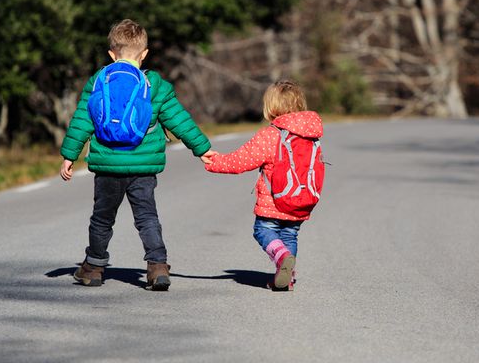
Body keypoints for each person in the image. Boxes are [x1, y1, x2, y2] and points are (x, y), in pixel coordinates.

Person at [59, 19, 215, 291]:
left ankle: (93, 268)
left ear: (111, 54)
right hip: (143, 168)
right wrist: (201, 148)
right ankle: (157, 267)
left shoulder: (98, 81)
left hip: (108, 166)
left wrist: (69, 155)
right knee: (146, 217)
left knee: (102, 218)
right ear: (144, 54)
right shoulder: (155, 85)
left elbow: (82, 120)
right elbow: (179, 120)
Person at [204, 80, 323, 291]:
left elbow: (241, 161)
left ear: (271, 107)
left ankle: (283, 259)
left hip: (274, 202)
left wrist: (214, 162)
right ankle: (287, 278)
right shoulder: (312, 137)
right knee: (289, 235)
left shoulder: (271, 134)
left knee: (263, 230)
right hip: (301, 200)